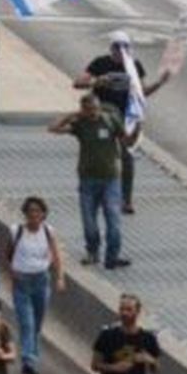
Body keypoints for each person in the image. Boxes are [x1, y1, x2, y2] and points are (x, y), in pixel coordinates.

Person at [73, 31, 171, 215]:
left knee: (127, 156)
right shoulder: (100, 63)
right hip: (103, 114)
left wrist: (160, 82)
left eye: (124, 47)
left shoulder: (134, 66)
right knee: (98, 154)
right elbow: (78, 83)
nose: (120, 51)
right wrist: (96, 81)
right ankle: (95, 192)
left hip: (126, 116)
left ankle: (126, 199)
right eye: (117, 46)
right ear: (111, 48)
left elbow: (142, 92)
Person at [48, 94, 137, 268]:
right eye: (89, 110)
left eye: (95, 109)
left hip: (110, 179)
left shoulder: (110, 121)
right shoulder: (80, 125)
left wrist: (137, 130)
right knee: (89, 222)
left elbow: (126, 141)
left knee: (114, 222)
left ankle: (112, 257)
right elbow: (53, 128)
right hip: (88, 180)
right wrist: (72, 115)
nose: (93, 113)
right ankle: (93, 252)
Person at [4, 196, 66, 374]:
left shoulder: (48, 231)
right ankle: (28, 360)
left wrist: (60, 277)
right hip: (21, 282)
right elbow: (7, 253)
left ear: (43, 214)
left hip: (41, 280)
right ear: (25, 213)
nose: (34, 215)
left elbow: (56, 255)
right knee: (27, 323)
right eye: (30, 211)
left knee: (37, 323)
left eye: (38, 211)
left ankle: (33, 355)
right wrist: (11, 271)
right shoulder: (16, 231)